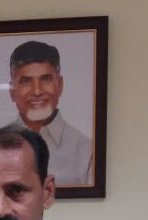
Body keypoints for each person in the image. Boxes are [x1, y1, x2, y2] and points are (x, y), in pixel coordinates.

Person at [6, 40, 93, 186]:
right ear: (12, 91)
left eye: (46, 79)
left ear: (60, 85)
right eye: (26, 81)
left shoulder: (87, 151)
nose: (37, 91)